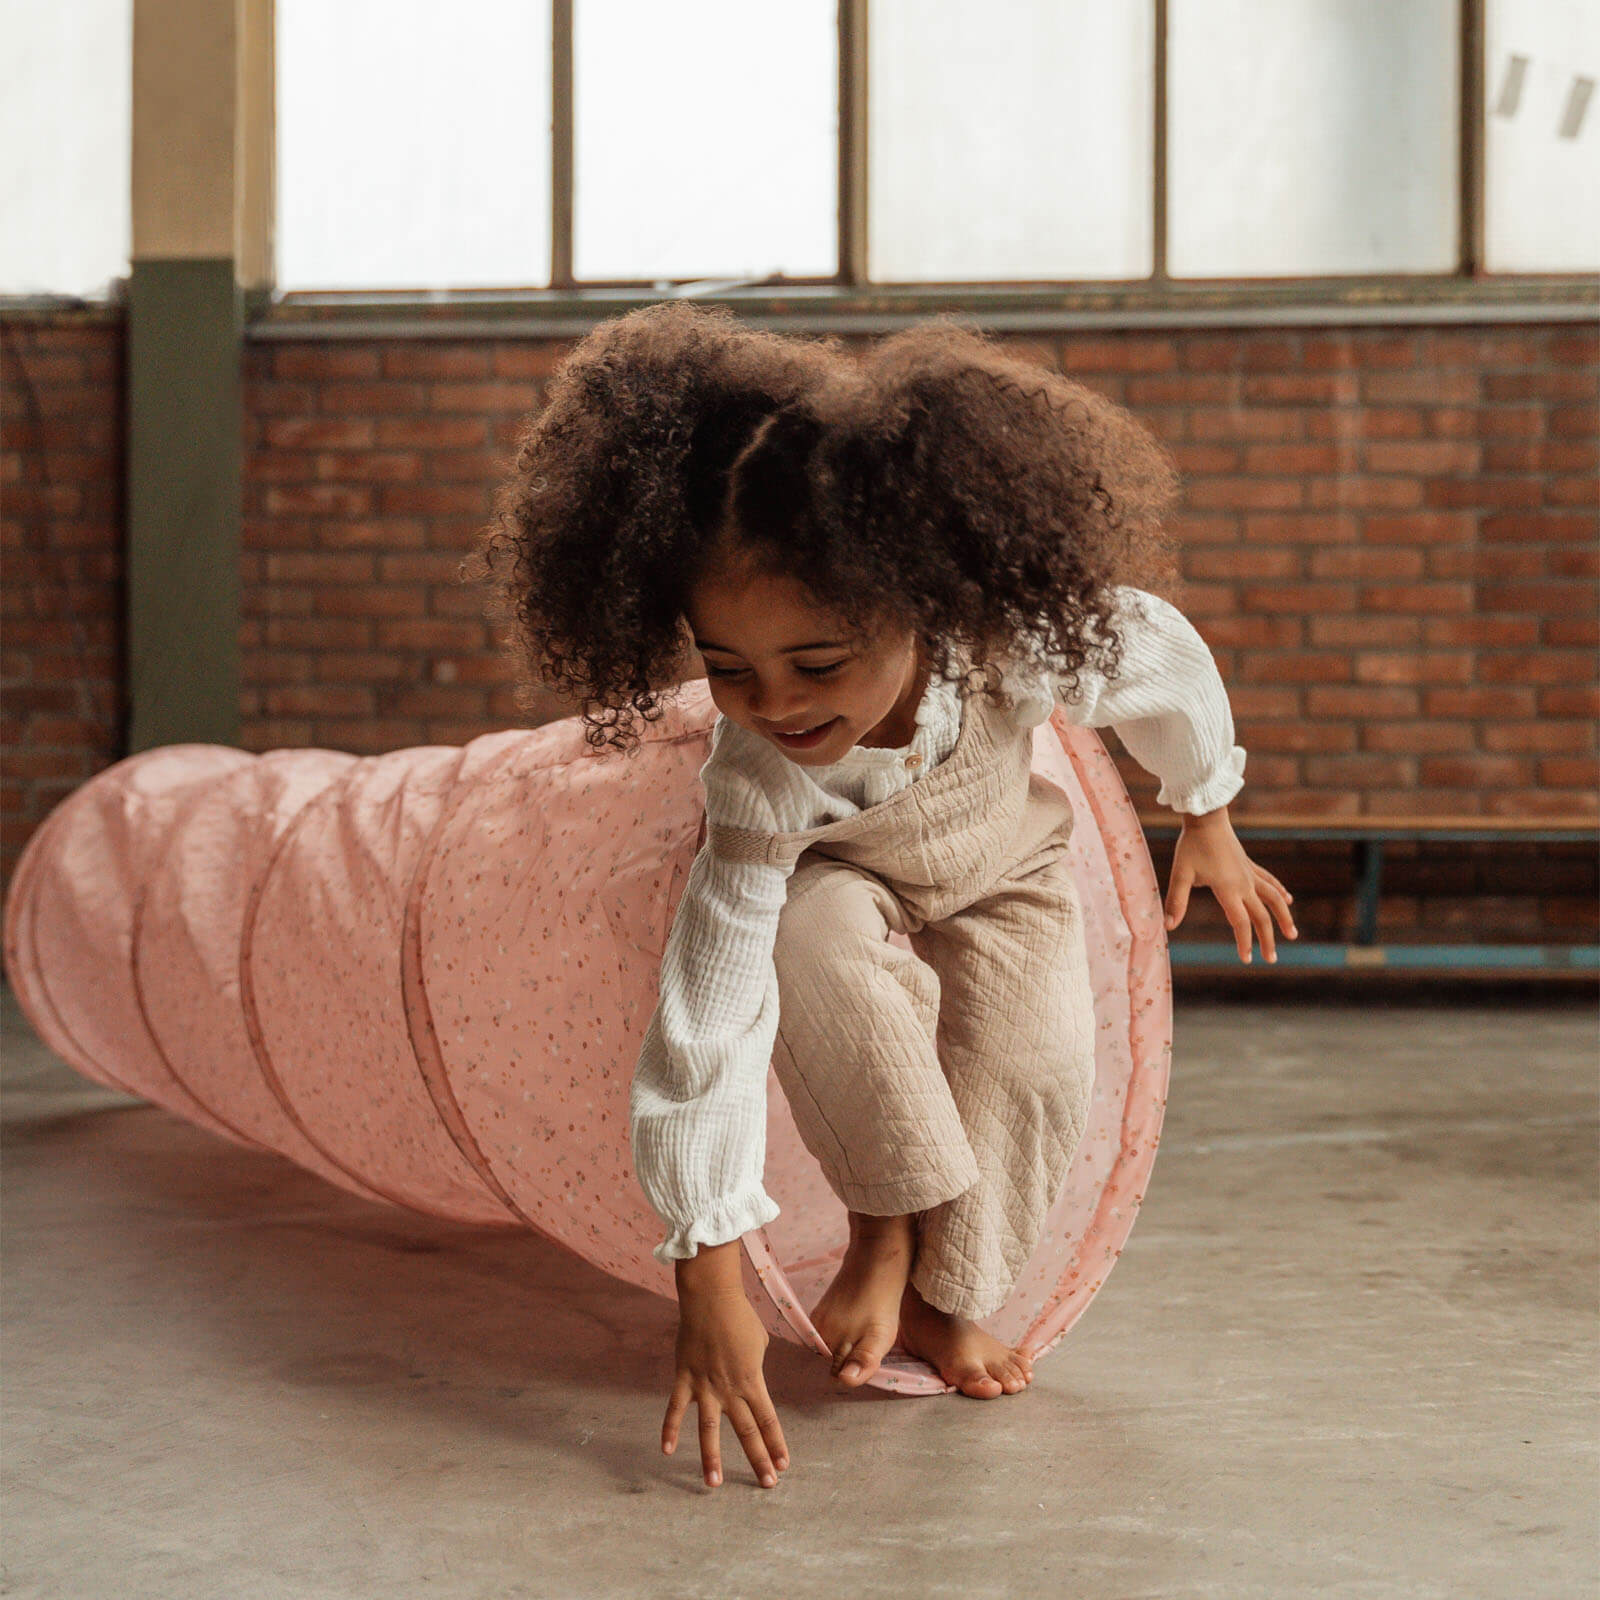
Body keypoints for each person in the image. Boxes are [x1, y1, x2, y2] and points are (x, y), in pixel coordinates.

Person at [464, 300, 1297, 1493]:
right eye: (727, 669)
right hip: (846, 884)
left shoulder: (1006, 640)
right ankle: (880, 1227)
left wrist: (1203, 807)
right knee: (808, 944)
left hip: (1006, 869)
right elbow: (709, 1006)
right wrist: (707, 1260)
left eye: (819, 663)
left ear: (916, 599)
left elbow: (1153, 650)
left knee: (1037, 1061)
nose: (778, 704)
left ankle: (947, 1296)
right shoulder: (758, 773)